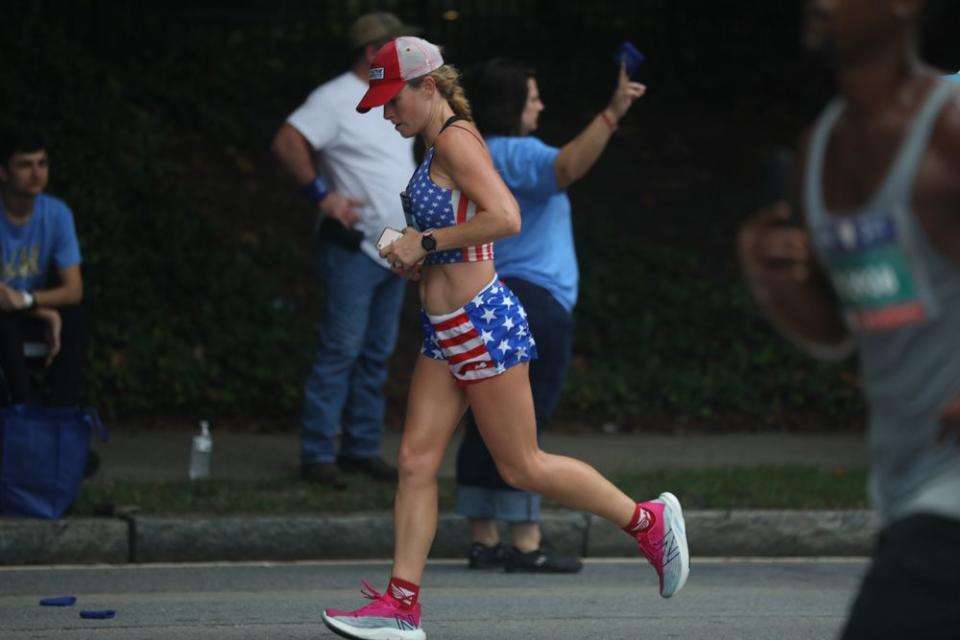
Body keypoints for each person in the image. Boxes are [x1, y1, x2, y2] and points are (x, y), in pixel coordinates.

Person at [320, 36, 689, 640]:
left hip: (481, 324)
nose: (388, 113)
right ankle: (400, 607)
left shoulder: (457, 140)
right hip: (445, 329)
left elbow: (508, 216)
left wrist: (426, 244)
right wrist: (416, 255)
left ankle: (646, 520)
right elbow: (466, 227)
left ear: (428, 86)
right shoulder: (436, 142)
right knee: (414, 462)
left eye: (394, 100)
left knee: (522, 467)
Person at [738, 1, 960, 638]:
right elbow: (839, 333)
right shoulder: (823, 146)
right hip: (907, 486)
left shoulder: (947, 126)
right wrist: (775, 284)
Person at [453, 58, 646, 573]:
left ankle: (482, 536)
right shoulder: (513, 153)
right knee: (524, 422)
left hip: (482, 296)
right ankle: (525, 543)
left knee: (482, 417)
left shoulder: (469, 153)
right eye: (532, 96)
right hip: (533, 303)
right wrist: (612, 113)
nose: (540, 105)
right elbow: (566, 168)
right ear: (511, 105)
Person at [271, 12, 420, 488]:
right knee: (342, 348)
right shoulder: (335, 98)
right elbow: (288, 140)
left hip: (392, 243)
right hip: (354, 243)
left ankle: (359, 447)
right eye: (393, 47)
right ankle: (318, 453)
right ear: (371, 52)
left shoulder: (393, 97)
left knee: (376, 352)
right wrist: (323, 196)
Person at [0, 123, 86, 407]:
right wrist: (43, 311)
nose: (36, 174)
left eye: (42, 163)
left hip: (26, 308)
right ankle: (23, 411)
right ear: (3, 172)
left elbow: (73, 289)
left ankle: (60, 413)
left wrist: (31, 303)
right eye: (25, 165)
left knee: (74, 316)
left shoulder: (57, 214)